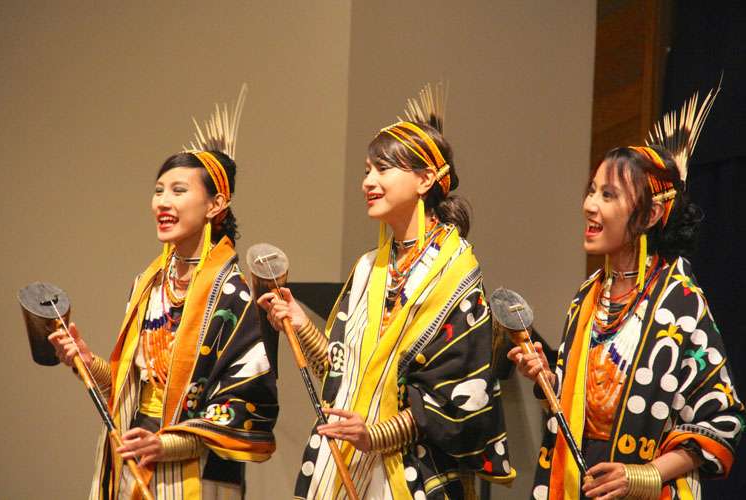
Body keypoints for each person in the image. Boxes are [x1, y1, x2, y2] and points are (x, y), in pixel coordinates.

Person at [258, 83, 513, 499]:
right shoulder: (368, 268)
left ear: (426, 179)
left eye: (382, 169)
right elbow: (341, 373)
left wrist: (375, 435)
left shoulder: (456, 273)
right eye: (366, 170)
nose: (368, 182)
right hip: (346, 462)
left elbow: (455, 400)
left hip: (413, 474)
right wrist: (301, 324)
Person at [509, 88, 745, 499]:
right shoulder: (588, 296)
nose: (589, 205)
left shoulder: (680, 303)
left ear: (652, 214)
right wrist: (547, 378)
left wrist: (646, 475)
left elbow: (721, 418)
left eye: (608, 195)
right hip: (580, 485)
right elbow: (580, 407)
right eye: (592, 190)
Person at [49, 87, 278, 499]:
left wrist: (166, 443)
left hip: (199, 476)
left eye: (178, 190)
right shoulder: (148, 285)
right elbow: (130, 388)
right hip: (136, 461)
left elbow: (243, 408)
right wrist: (87, 361)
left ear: (216, 204)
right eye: (158, 190)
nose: (162, 202)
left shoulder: (233, 298)